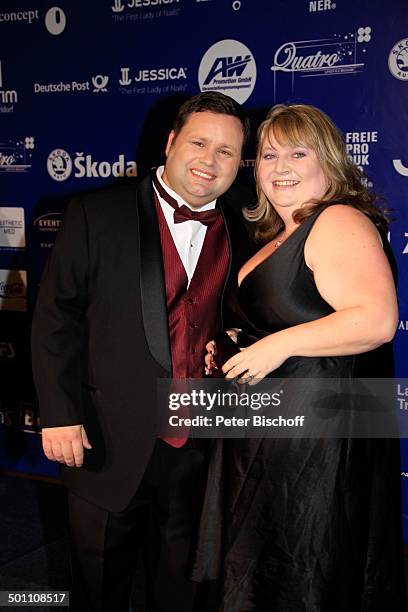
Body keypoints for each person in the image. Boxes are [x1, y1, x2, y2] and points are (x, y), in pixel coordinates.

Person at [31, 91, 253, 612]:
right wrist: (59, 415)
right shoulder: (96, 214)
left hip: (199, 447)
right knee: (99, 585)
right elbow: (55, 320)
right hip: (105, 437)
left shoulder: (244, 227)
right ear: (172, 142)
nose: (210, 161)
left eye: (227, 151)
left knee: (179, 589)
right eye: (200, 142)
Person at [192, 104, 406, 611]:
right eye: (268, 155)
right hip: (274, 435)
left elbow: (375, 321)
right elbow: (290, 318)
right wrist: (234, 347)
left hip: (317, 442)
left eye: (297, 153)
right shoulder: (277, 235)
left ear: (328, 162)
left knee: (305, 571)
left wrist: (275, 345)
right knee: (265, 569)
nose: (280, 166)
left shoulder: (338, 219)